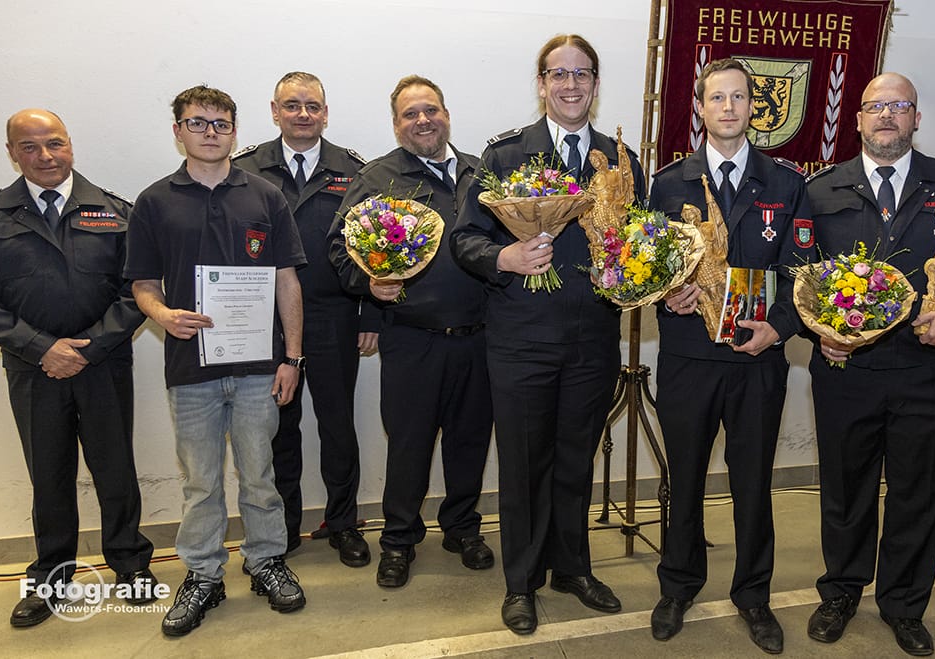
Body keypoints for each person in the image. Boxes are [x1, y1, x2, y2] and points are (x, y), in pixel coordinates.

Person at [803, 72, 935, 657]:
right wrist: (820, 330)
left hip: (928, 373)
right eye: (876, 107)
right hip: (848, 372)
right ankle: (841, 592)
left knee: (918, 494)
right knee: (846, 492)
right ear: (858, 118)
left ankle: (903, 604)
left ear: (917, 117)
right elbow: (795, 279)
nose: (887, 116)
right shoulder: (821, 192)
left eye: (900, 106)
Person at [450, 34, 645, 635]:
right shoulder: (507, 154)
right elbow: (465, 239)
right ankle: (521, 582)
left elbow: (639, 241)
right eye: (557, 74)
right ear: (541, 84)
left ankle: (573, 568)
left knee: (574, 461)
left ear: (594, 82)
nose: (570, 84)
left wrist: (642, 270)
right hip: (522, 339)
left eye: (581, 74)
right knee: (524, 464)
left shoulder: (621, 160)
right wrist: (503, 258)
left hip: (592, 338)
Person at [125, 85, 309, 636]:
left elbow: (286, 280)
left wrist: (292, 358)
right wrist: (161, 315)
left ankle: (265, 561)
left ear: (235, 129)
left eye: (221, 123)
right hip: (190, 368)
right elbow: (142, 284)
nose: (211, 132)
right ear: (178, 130)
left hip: (260, 368)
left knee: (259, 473)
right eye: (198, 123)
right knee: (201, 482)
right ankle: (203, 574)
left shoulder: (266, 196)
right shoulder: (154, 201)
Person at [647, 58, 813, 655]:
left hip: (757, 359)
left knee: (752, 484)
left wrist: (780, 329)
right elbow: (647, 266)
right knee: (684, 480)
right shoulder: (668, 184)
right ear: (699, 107)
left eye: (739, 97)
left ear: (753, 107)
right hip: (689, 359)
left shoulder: (785, 183)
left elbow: (803, 274)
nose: (728, 107)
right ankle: (678, 585)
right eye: (716, 97)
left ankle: (754, 596)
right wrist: (669, 291)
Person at [0, 109, 156, 628]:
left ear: (70, 145)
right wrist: (41, 348)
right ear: (12, 153)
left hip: (102, 364)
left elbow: (137, 289)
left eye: (54, 143)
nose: (45, 156)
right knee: (48, 474)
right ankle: (51, 578)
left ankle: (131, 564)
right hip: (33, 370)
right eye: (29, 147)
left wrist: (89, 347)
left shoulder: (114, 211)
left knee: (115, 467)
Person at [328, 75, 494, 588]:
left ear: (446, 113)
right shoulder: (378, 178)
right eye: (410, 114)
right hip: (412, 340)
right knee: (410, 445)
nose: (423, 120)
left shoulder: (480, 174)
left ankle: (463, 527)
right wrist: (368, 283)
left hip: (481, 338)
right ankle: (399, 539)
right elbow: (340, 248)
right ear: (396, 124)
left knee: (469, 442)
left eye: (431, 110)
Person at [232, 71, 371, 567]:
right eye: (292, 105)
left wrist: (370, 313)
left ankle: (344, 524)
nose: (303, 114)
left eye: (313, 105)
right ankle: (283, 527)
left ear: (325, 113)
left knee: (338, 425)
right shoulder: (246, 168)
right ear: (274, 111)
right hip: (265, 322)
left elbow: (374, 246)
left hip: (334, 315)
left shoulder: (354, 171)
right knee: (277, 428)